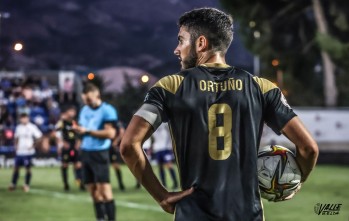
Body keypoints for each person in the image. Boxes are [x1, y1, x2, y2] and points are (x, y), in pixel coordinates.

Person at [120, 8, 319, 221]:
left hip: (193, 214)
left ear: (201, 43)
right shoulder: (261, 87)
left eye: (181, 40)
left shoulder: (171, 86)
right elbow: (308, 148)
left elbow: (129, 145)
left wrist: (161, 196)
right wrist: (294, 182)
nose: (176, 50)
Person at [72, 83, 117, 221]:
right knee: (92, 191)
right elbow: (82, 129)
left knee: (105, 191)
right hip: (85, 152)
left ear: (97, 95)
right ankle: (100, 218)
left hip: (100, 152)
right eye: (85, 100)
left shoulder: (107, 110)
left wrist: (87, 131)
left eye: (89, 100)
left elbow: (110, 133)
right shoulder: (84, 110)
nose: (87, 103)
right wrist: (78, 132)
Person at [8, 112, 43, 192]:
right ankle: (13, 184)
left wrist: (33, 145)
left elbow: (39, 137)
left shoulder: (32, 127)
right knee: (16, 168)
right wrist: (16, 147)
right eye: (22, 118)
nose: (24, 119)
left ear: (28, 118)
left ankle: (26, 184)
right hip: (20, 151)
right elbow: (16, 138)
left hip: (28, 152)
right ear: (20, 119)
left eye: (25, 118)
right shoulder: (18, 127)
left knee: (27, 168)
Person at [55, 105, 84, 191]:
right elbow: (56, 132)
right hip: (66, 146)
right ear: (67, 113)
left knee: (78, 165)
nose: (71, 113)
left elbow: (80, 133)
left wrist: (78, 143)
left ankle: (80, 183)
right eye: (70, 111)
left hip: (74, 146)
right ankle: (66, 184)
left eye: (73, 112)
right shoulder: (62, 122)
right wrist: (61, 143)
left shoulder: (76, 122)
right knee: (65, 165)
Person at [148, 123, 178, 190]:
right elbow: (153, 139)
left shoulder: (165, 124)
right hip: (158, 149)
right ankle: (163, 184)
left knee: (169, 165)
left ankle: (175, 183)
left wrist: (172, 146)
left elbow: (171, 134)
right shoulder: (153, 126)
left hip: (166, 148)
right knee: (160, 166)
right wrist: (151, 147)